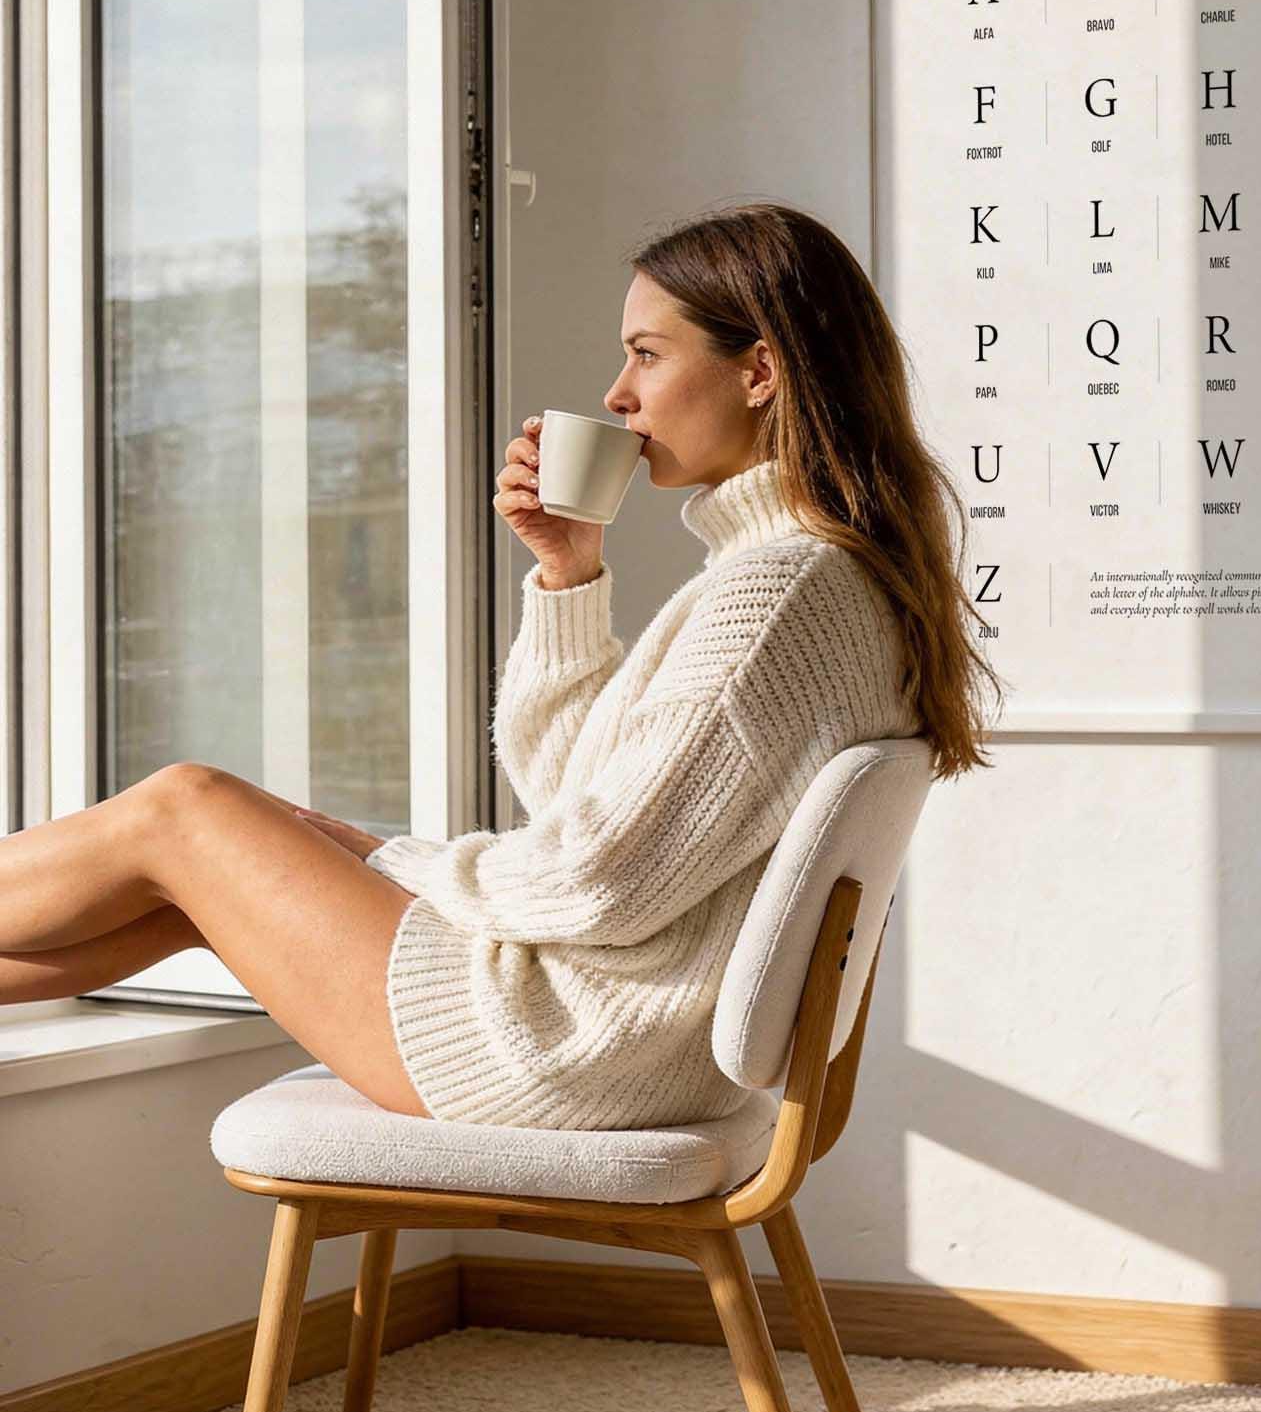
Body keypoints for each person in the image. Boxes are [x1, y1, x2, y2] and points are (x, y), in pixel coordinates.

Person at [0, 202, 1003, 1128]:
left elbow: (599, 880)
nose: (617, 394)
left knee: (185, 803)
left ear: (759, 370)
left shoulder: (781, 591)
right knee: (186, 896)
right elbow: (579, 801)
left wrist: (386, 856)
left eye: (647, 354)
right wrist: (568, 573)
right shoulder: (816, 574)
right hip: (623, 1039)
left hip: (563, 1042)